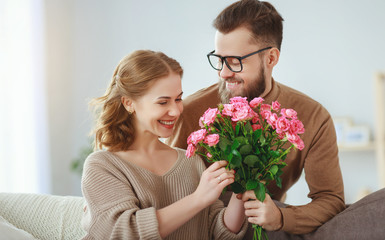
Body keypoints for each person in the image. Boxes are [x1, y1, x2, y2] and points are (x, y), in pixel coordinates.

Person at [166, 0, 347, 238]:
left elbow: (331, 200)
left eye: (234, 61)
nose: (223, 73)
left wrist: (281, 218)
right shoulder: (190, 111)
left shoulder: (313, 117)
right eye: (219, 59)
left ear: (271, 58)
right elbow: (167, 197)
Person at [80, 50, 249, 239]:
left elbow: (215, 232)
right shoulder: (103, 165)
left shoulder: (190, 161)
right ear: (129, 103)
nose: (176, 111)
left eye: (178, 99)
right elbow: (124, 232)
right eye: (163, 102)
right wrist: (197, 199)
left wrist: (243, 184)